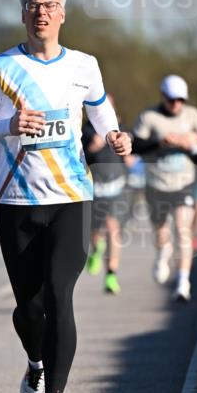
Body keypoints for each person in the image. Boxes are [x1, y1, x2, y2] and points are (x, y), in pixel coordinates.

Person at [0, 0, 131, 393]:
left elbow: (102, 117)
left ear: (63, 14)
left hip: (72, 198)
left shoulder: (84, 66)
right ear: (22, 14)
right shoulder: (0, 69)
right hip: (16, 202)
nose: (42, 12)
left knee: (59, 296)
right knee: (29, 309)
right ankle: (35, 364)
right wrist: (7, 124)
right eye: (34, 5)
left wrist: (118, 137)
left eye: (50, 5)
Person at [132, 75, 197, 302]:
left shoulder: (192, 115)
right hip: (156, 184)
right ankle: (162, 252)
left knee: (182, 228)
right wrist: (160, 143)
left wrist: (194, 138)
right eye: (171, 100)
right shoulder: (149, 117)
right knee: (161, 232)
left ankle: (183, 281)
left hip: (184, 183)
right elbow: (135, 146)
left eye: (180, 100)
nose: (176, 104)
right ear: (163, 97)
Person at [82, 95, 129, 295]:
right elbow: (79, 154)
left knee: (113, 228)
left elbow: (129, 152)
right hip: (94, 187)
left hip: (116, 186)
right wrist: (92, 148)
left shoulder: (121, 128)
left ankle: (111, 274)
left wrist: (129, 155)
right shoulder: (86, 129)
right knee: (96, 231)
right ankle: (96, 249)